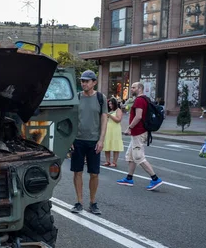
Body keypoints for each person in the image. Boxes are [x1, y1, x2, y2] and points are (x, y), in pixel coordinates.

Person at [70, 70, 108, 215]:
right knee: (77, 172)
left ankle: (93, 202)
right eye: (82, 81)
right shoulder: (77, 97)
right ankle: (79, 202)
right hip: (78, 140)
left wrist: (101, 139)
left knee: (94, 173)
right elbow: (71, 117)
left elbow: (104, 119)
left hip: (94, 141)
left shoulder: (100, 97)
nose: (84, 83)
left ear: (94, 82)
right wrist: (70, 138)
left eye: (87, 81)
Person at [117, 82, 163, 190]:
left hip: (139, 132)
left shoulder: (139, 100)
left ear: (140, 88)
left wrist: (129, 128)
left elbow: (138, 117)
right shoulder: (145, 99)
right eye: (131, 87)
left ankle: (155, 179)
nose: (131, 89)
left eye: (133, 87)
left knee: (138, 156)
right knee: (131, 156)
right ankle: (129, 178)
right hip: (138, 132)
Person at [103, 97, 124, 167]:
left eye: (111, 104)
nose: (110, 105)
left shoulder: (118, 110)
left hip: (115, 129)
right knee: (107, 145)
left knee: (115, 145)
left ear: (114, 104)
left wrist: (110, 116)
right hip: (108, 129)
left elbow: (118, 120)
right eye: (109, 104)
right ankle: (107, 161)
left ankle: (114, 162)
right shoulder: (109, 111)